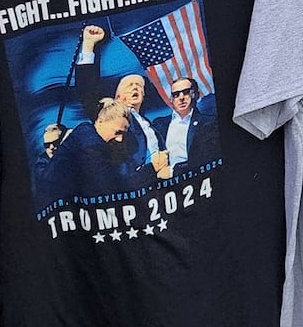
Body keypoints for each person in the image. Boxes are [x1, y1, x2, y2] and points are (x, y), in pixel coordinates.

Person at [75, 26, 167, 180]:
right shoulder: (110, 114)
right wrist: (89, 45)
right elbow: (87, 92)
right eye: (129, 86)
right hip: (134, 184)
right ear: (117, 96)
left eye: (139, 86)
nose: (135, 88)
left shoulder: (149, 123)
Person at [47, 99, 145, 201]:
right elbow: (111, 187)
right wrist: (151, 170)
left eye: (123, 134)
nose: (120, 139)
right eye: (117, 132)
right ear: (101, 121)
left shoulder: (84, 128)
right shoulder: (91, 145)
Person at [160, 76, 219, 173]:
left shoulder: (210, 122)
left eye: (186, 92)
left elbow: (210, 157)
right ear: (171, 99)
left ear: (196, 95)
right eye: (176, 94)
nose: (181, 97)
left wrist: (175, 170)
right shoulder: (160, 125)